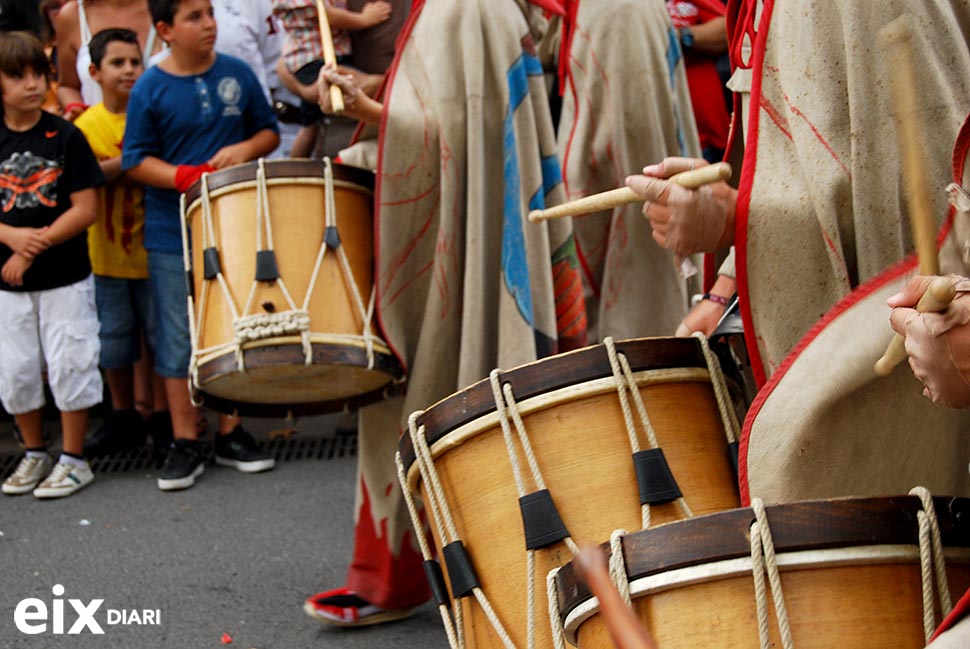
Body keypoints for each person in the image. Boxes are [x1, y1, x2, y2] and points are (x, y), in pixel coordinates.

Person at [302, 0, 588, 627]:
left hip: (456, 247)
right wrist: (375, 92)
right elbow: (454, 113)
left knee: (429, 391)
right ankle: (428, 576)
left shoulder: (464, 8)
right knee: (445, 395)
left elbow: (444, 143)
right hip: (466, 235)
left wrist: (368, 115)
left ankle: (469, 582)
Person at [625, 0, 970, 502]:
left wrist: (732, 217)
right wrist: (726, 286)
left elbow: (924, 206)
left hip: (900, 400)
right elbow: (795, 161)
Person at [122, 0, 280, 491]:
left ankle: (231, 431)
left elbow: (268, 131)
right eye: (194, 17)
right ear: (165, 30)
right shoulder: (150, 86)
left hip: (233, 227)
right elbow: (134, 159)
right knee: (176, 334)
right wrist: (184, 177)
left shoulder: (236, 72)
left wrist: (245, 149)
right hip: (173, 232)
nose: (210, 24)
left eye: (210, 13)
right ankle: (184, 438)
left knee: (234, 326)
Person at [550, 0, 701, 342]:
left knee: (638, 326)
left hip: (626, 230)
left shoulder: (620, 11)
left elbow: (637, 160)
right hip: (607, 206)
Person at [0, 31, 104, 498]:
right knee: (16, 368)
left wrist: (29, 248)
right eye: (17, 75)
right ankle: (34, 451)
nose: (31, 83)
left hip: (64, 276)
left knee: (70, 361)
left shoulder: (66, 137)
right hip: (8, 284)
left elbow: (85, 209)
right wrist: (11, 239)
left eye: (38, 73)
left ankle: (74, 458)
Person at [73, 27, 170, 460]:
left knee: (160, 337)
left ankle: (164, 420)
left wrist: (118, 166)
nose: (129, 70)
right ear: (94, 71)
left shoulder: (151, 112)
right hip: (106, 256)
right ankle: (123, 416)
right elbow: (87, 177)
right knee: (114, 339)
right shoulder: (86, 125)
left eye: (136, 62)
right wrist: (132, 162)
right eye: (118, 63)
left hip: (154, 252)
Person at [272, 0, 390, 157]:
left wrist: (378, 83)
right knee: (311, 125)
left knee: (310, 125)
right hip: (315, 62)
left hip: (380, 132)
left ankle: (293, 171)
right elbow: (328, 16)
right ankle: (291, 174)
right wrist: (365, 18)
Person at [54, 0, 163, 120]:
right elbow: (67, 86)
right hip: (98, 135)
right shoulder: (72, 15)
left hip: (167, 132)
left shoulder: (169, 7)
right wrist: (80, 113)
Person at [666, 0, 730, 163]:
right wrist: (699, 46)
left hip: (714, 135)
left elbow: (728, 29)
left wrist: (680, 37)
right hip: (667, 146)